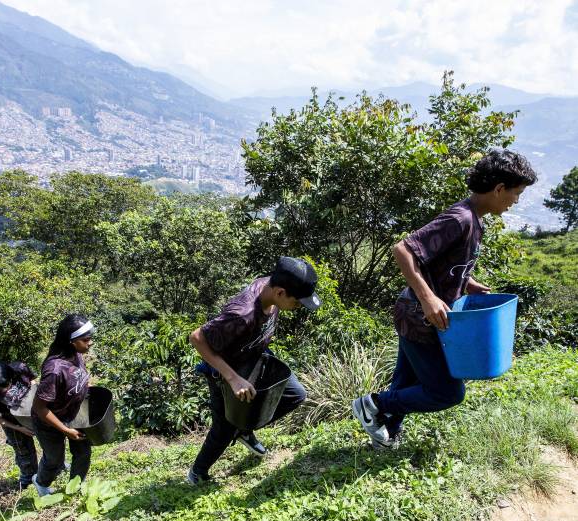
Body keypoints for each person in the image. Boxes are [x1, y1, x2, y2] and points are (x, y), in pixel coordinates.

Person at [352, 149, 538, 449]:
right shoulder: (460, 218)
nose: (515, 201)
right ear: (499, 188)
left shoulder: (476, 219)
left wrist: (467, 283)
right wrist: (428, 298)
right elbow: (403, 251)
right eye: (515, 193)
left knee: (407, 380)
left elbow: (443, 265)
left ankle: (385, 435)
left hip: (424, 314)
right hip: (419, 315)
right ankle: (371, 404)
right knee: (447, 392)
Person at [186, 256, 321, 484]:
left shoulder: (272, 286)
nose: (297, 307)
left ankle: (244, 429)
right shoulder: (242, 314)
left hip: (255, 357)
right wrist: (233, 378)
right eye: (297, 302)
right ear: (280, 293)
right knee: (224, 428)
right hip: (226, 372)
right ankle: (197, 472)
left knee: (296, 394)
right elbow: (197, 338)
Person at [31, 314, 94, 496]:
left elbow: (77, 378)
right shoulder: (55, 370)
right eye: (86, 340)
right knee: (54, 459)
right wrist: (65, 431)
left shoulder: (76, 355)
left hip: (73, 414)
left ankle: (75, 487)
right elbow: (40, 408)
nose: (90, 343)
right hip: (49, 422)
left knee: (83, 453)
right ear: (71, 342)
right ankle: (41, 482)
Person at [0, 361, 40, 490]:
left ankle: (57, 466)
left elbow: (33, 381)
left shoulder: (20, 369)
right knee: (24, 452)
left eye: (6, 385)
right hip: (12, 421)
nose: (5, 390)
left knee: (50, 441)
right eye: (0, 388)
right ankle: (29, 480)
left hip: (34, 411)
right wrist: (19, 428)